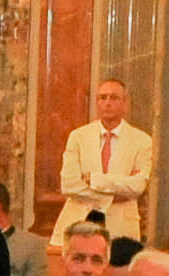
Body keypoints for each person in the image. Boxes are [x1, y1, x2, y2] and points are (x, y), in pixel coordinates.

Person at [59, 76, 156, 247]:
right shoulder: (78, 136)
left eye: (114, 97)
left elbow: (138, 186)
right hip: (78, 222)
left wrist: (94, 179)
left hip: (121, 228)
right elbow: (68, 185)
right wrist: (114, 193)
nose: (107, 103)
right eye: (102, 98)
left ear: (125, 103)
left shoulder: (142, 141)